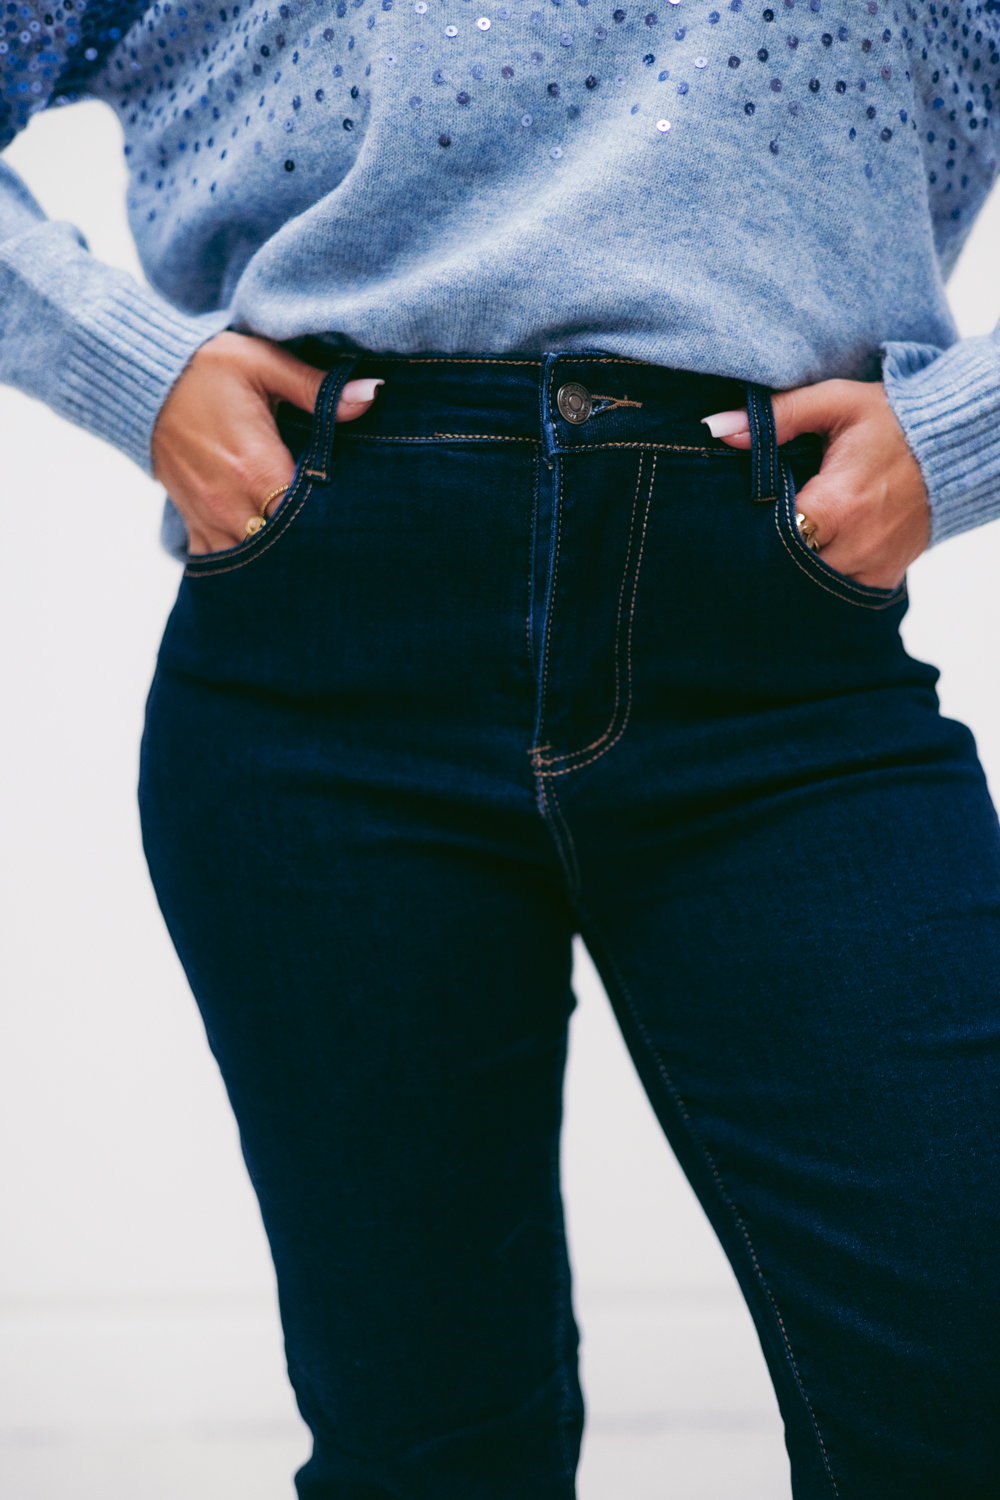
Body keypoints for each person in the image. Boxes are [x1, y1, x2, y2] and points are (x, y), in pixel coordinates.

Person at [2, 0, 999, 1492]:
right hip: (325, 655)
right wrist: (132, 368)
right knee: (431, 1446)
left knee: (962, 1377)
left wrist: (968, 429)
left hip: (780, 661)